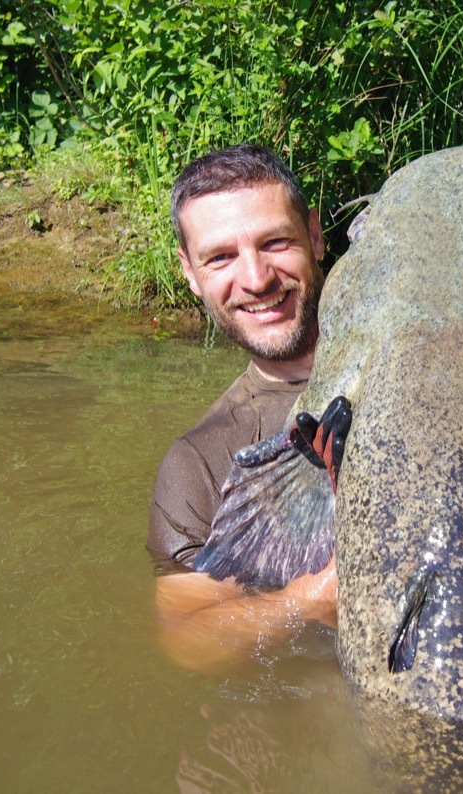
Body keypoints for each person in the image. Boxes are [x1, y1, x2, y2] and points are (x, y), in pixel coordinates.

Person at [147, 144, 337, 673]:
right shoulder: (199, 462)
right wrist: (312, 598)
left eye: (275, 242)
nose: (256, 279)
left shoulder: (423, 352)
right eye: (221, 257)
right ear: (189, 271)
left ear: (315, 236)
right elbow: (188, 638)